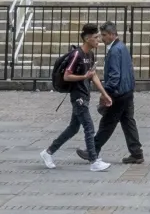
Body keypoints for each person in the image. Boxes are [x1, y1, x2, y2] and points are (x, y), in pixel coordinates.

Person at [40, 24, 110, 171]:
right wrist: (84, 76)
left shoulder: (90, 55)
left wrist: (104, 93)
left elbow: (93, 75)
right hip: (78, 96)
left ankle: (48, 152)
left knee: (73, 128)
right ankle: (94, 160)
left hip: (85, 94)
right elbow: (67, 75)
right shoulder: (77, 55)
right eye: (96, 37)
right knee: (89, 127)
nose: (99, 40)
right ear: (87, 38)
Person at [90, 20, 145, 164]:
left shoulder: (114, 51)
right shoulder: (122, 47)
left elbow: (115, 76)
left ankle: (93, 149)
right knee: (128, 122)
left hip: (119, 93)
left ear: (112, 34)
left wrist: (105, 92)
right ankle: (136, 152)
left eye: (104, 35)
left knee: (107, 122)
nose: (102, 39)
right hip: (127, 91)